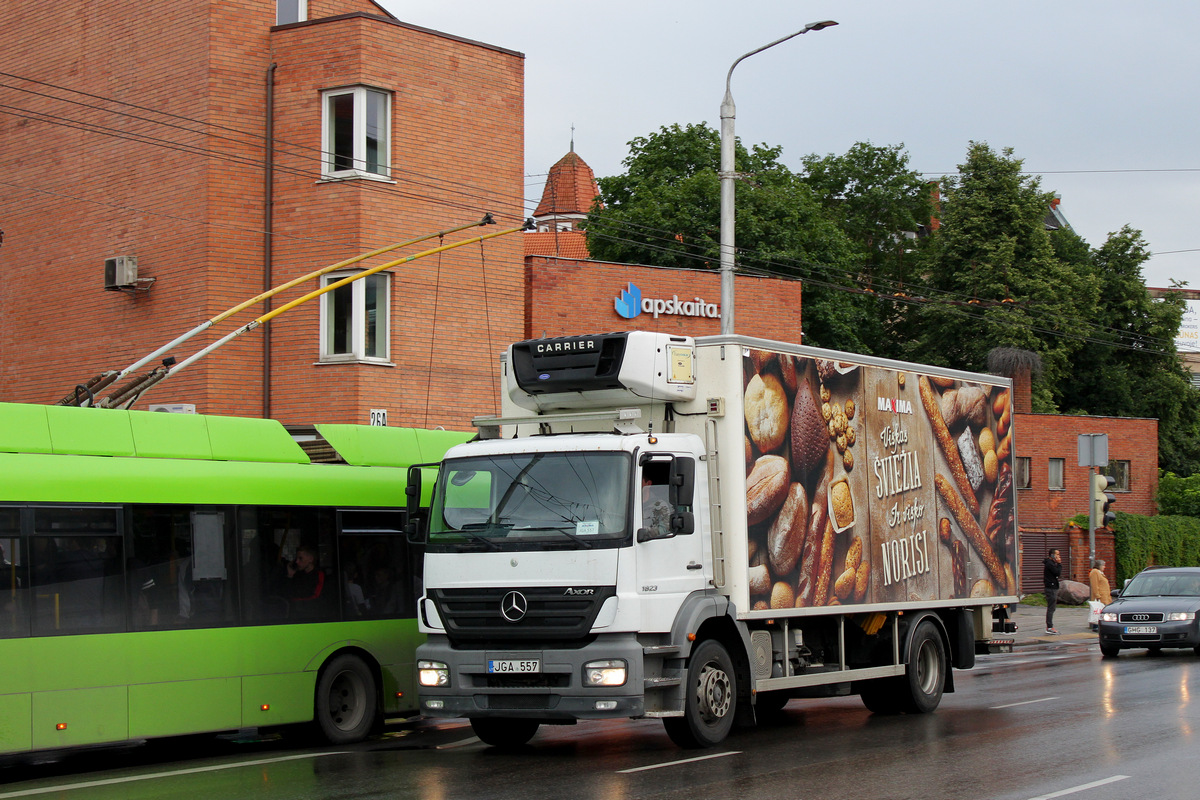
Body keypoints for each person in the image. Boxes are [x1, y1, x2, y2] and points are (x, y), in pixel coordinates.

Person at [1043, 548, 1062, 634]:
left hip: (1053, 587)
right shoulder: (1050, 564)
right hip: (1051, 588)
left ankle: (1050, 626)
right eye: (1057, 554)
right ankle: (1049, 627)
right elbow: (1057, 572)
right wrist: (1059, 564)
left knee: (1052, 608)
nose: (1059, 556)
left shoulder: (1051, 563)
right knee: (1051, 608)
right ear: (1052, 555)